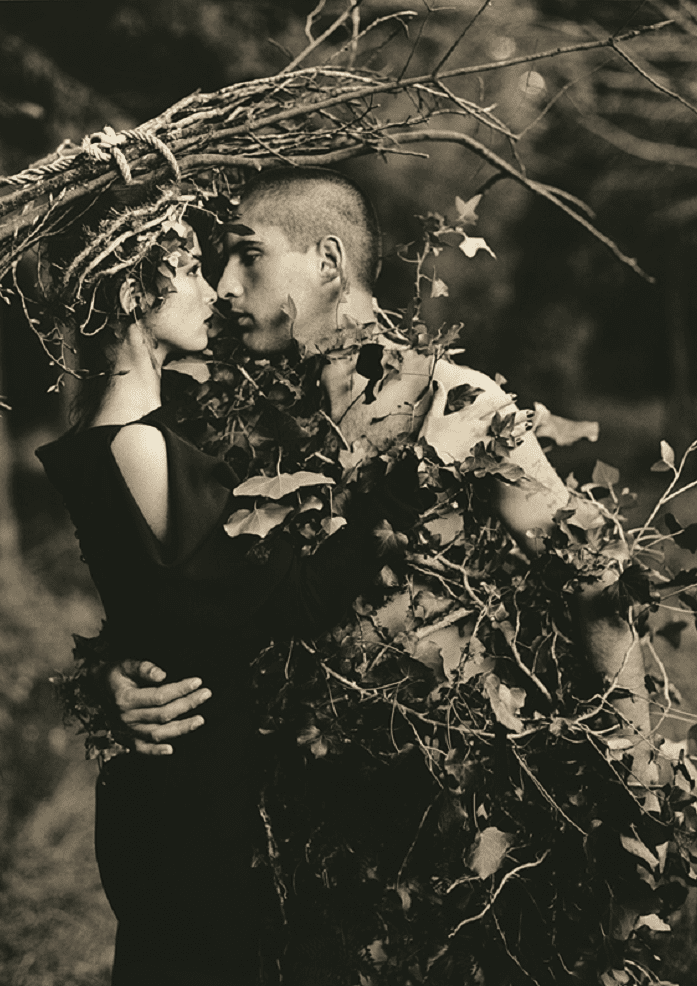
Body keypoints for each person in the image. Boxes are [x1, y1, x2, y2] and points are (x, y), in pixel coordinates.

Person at [112, 168, 653, 770]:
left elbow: (593, 570)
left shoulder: (454, 405)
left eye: (249, 255)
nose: (225, 285)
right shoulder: (255, 434)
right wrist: (118, 677)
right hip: (303, 809)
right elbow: (205, 603)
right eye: (220, 263)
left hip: (450, 786)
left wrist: (637, 772)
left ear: (328, 262)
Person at [35, 188, 436, 986]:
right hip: (191, 793)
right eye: (187, 268)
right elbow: (262, 608)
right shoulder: (143, 445)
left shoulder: (173, 421)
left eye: (226, 259)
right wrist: (376, 526)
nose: (212, 286)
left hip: (197, 780)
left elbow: (171, 608)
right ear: (130, 296)